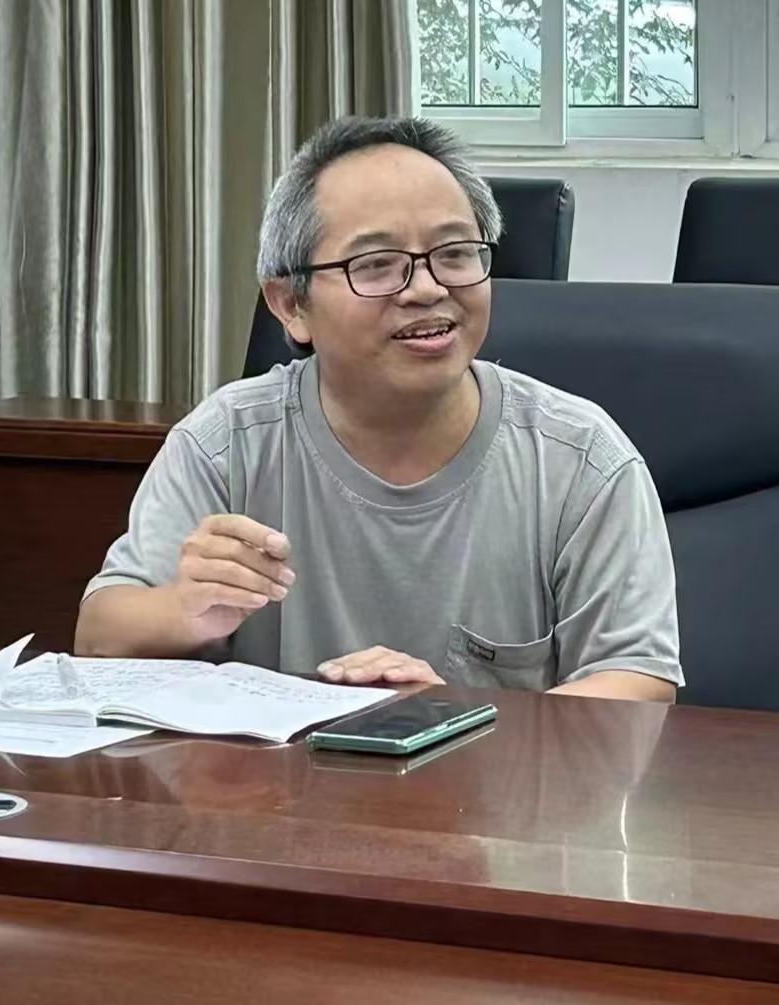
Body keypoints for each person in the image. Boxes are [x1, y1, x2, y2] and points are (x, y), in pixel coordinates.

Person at [76, 116, 683, 701]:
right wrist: (186, 610)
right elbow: (98, 640)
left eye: (455, 253)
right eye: (375, 265)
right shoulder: (227, 442)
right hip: (278, 776)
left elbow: (637, 685)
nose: (428, 288)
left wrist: (456, 721)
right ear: (290, 304)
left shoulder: (580, 458)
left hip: (499, 776)